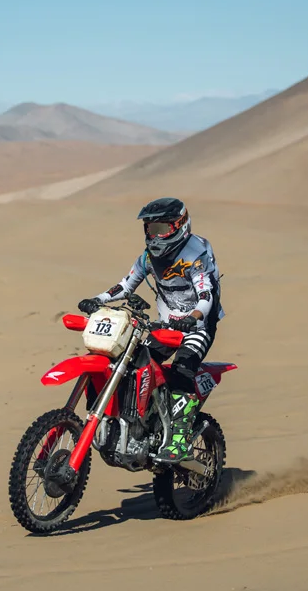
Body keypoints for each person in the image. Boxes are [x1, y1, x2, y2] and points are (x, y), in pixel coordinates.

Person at [77, 197, 225, 463]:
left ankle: (179, 440)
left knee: (182, 371)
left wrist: (192, 317)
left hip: (197, 326)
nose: (154, 236)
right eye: (150, 229)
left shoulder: (196, 255)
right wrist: (98, 299)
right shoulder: (148, 258)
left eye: (161, 229)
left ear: (179, 225)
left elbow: (206, 295)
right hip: (164, 327)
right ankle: (141, 422)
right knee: (132, 364)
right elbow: (125, 285)